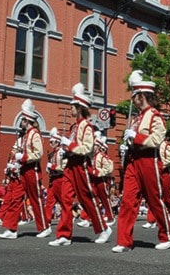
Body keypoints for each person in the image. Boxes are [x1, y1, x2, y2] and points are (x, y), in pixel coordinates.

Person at [112, 71, 170, 252]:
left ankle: (167, 235)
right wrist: (128, 145)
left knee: (155, 199)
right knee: (127, 201)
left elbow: (157, 139)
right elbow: (134, 139)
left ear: (143, 96)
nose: (133, 99)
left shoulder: (155, 116)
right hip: (134, 160)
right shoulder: (136, 118)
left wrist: (136, 137)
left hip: (149, 160)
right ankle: (124, 241)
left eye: (135, 95)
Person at [49, 83, 111, 247]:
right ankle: (64, 235)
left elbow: (87, 148)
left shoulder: (87, 126)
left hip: (82, 166)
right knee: (65, 199)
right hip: (71, 165)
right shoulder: (75, 126)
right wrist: (66, 149)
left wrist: (69, 145)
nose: (71, 109)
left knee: (87, 198)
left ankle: (104, 228)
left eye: (74, 106)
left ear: (80, 107)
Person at [0, 99, 51, 239]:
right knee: (16, 198)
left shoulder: (34, 134)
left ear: (27, 120)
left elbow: (38, 153)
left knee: (35, 199)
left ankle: (44, 227)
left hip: (32, 170)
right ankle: (11, 229)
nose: (21, 121)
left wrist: (23, 157)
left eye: (22, 119)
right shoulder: (27, 135)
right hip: (23, 171)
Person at [91, 132, 116, 225]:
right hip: (95, 180)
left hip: (102, 180)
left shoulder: (102, 156)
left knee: (105, 199)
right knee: (93, 198)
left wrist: (98, 172)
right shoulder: (93, 156)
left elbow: (109, 168)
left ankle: (110, 217)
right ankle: (89, 217)